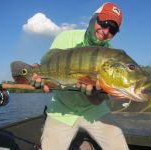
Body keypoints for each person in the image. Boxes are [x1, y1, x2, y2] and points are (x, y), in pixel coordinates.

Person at [33, 2, 129, 150]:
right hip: (62, 108)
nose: (105, 31)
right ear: (93, 18)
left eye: (112, 29)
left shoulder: (112, 58)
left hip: (94, 110)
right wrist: (42, 80)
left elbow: (98, 101)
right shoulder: (65, 37)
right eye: (104, 23)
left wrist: (93, 94)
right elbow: (49, 67)